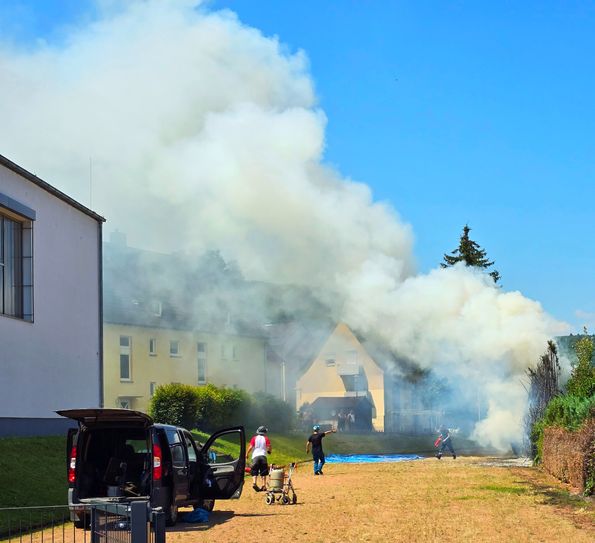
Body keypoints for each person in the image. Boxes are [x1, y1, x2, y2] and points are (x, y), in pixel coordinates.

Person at [246, 425, 272, 491]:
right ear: (264, 432)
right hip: (263, 456)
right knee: (263, 471)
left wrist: (247, 454)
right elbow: (269, 446)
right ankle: (263, 486)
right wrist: (269, 451)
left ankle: (254, 483)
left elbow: (250, 447)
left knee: (254, 470)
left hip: (255, 456)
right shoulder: (266, 438)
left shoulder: (254, 438)